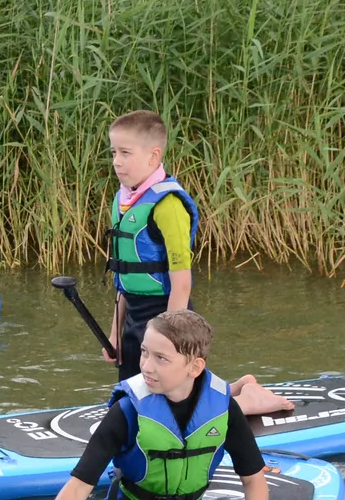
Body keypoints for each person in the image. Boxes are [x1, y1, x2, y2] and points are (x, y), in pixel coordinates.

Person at [13, 309, 275, 500]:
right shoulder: (127, 411)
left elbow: (253, 478)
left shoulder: (223, 407)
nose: (147, 366)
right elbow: (79, 484)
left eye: (161, 358)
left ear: (195, 367)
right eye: (144, 353)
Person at [102, 110, 292, 413]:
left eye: (125, 153)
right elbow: (125, 278)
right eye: (114, 152)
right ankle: (237, 387)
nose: (116, 161)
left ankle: (246, 401)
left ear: (154, 156)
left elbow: (182, 284)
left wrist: (164, 346)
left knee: (175, 411)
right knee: (137, 406)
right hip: (135, 321)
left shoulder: (168, 206)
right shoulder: (125, 200)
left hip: (169, 318)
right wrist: (115, 333)